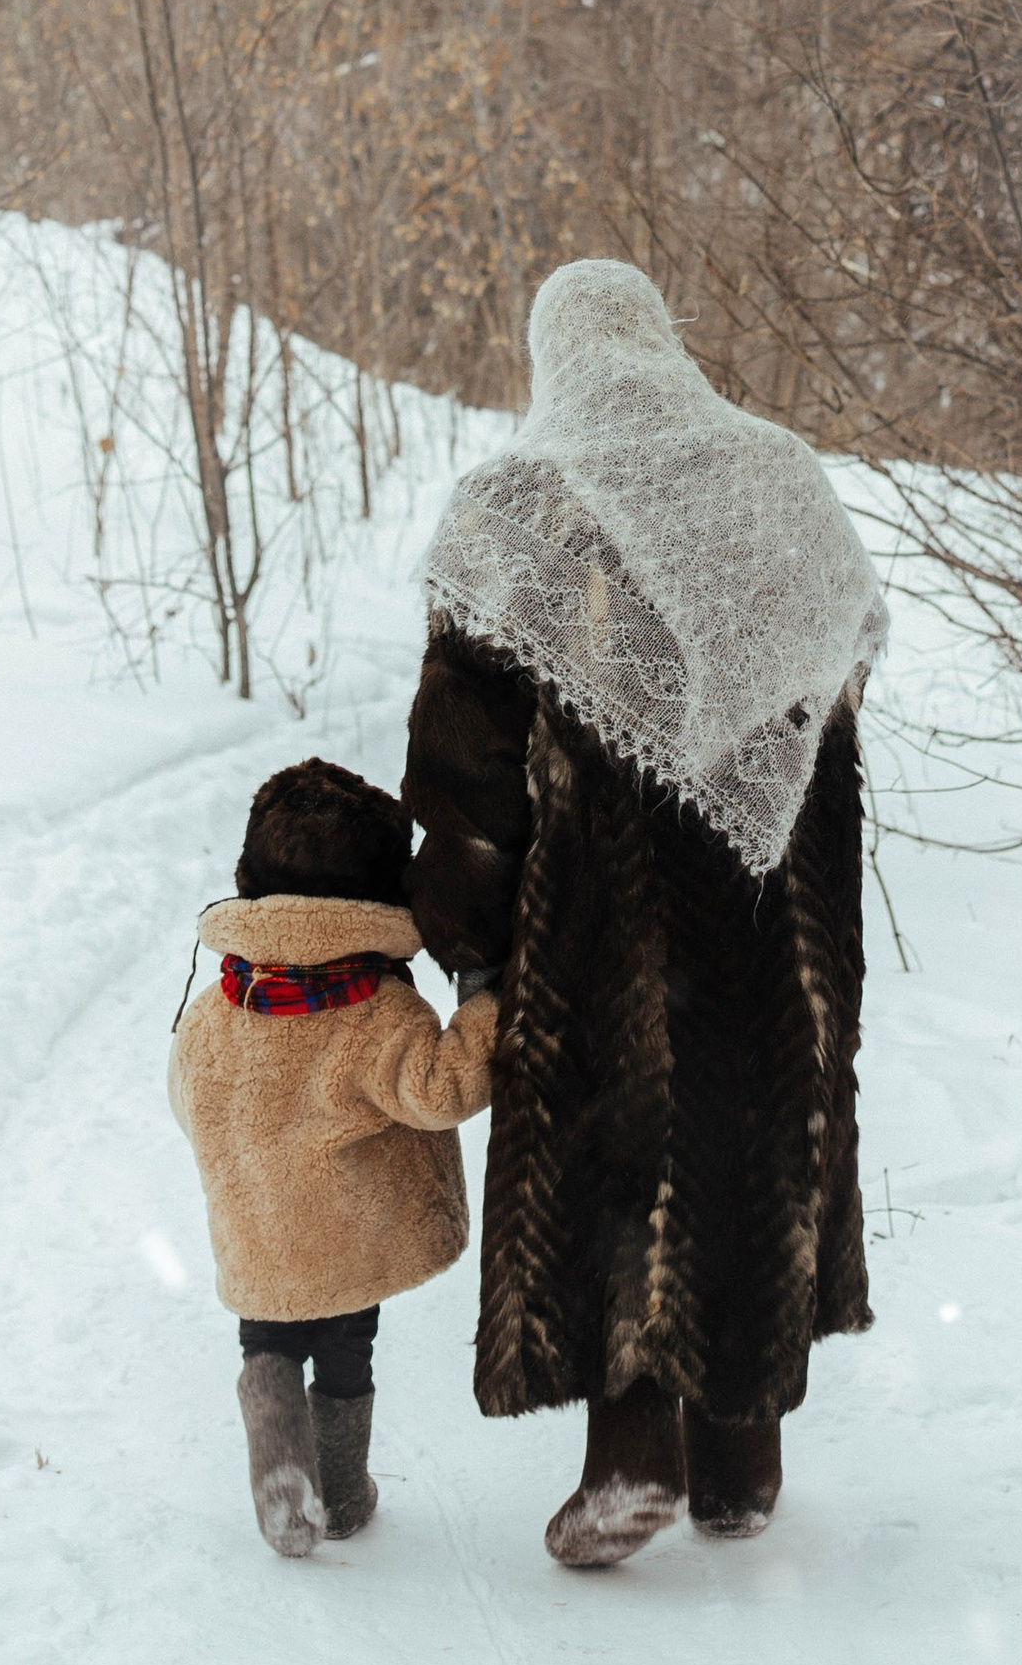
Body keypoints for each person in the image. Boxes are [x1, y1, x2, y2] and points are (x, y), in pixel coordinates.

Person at [403, 259, 888, 1569]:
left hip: (598, 922)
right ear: (662, 341)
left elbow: (464, 774)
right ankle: (741, 1456)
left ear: (553, 356)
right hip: (778, 908)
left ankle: (630, 1454)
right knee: (751, 1141)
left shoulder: (513, 505)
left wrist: (474, 944)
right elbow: (839, 698)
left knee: (619, 1156)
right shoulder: (780, 476)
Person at [168, 756, 498, 1556]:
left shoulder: (224, 998)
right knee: (345, 1359)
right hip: (349, 1236)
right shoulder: (371, 1008)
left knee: (269, 1344)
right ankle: (342, 1494)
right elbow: (439, 1088)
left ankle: (280, 1462)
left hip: (260, 1234)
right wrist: (489, 1006)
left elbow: (186, 1096)